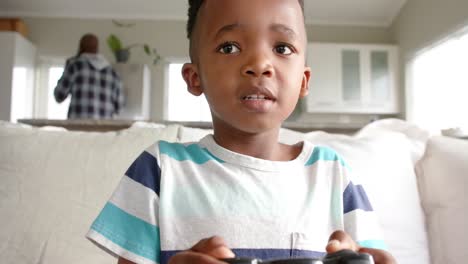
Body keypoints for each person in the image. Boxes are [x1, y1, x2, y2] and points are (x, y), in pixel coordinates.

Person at [86, 1, 396, 263]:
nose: (259, 64)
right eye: (230, 46)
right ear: (195, 78)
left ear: (303, 81)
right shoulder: (158, 169)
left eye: (282, 47)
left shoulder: (333, 174)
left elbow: (375, 257)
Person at [54, 33, 124, 119]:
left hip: (78, 126)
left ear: (81, 47)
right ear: (97, 48)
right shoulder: (113, 72)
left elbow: (59, 95)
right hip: (104, 129)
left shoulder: (75, 65)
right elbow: (119, 107)